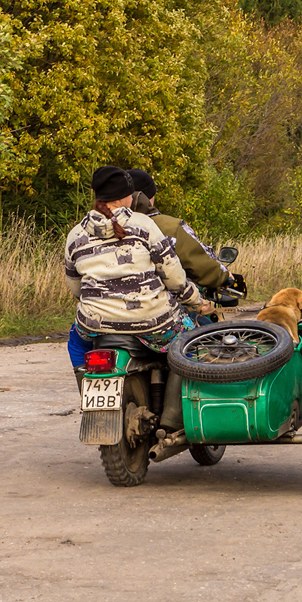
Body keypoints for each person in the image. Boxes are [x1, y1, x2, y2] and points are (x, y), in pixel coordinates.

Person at [65, 166, 214, 428]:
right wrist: (197, 302)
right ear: (127, 197)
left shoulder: (76, 234)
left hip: (95, 324)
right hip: (154, 323)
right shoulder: (144, 225)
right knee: (190, 341)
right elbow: (175, 279)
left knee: (76, 343)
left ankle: (92, 402)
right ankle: (172, 414)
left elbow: (76, 287)